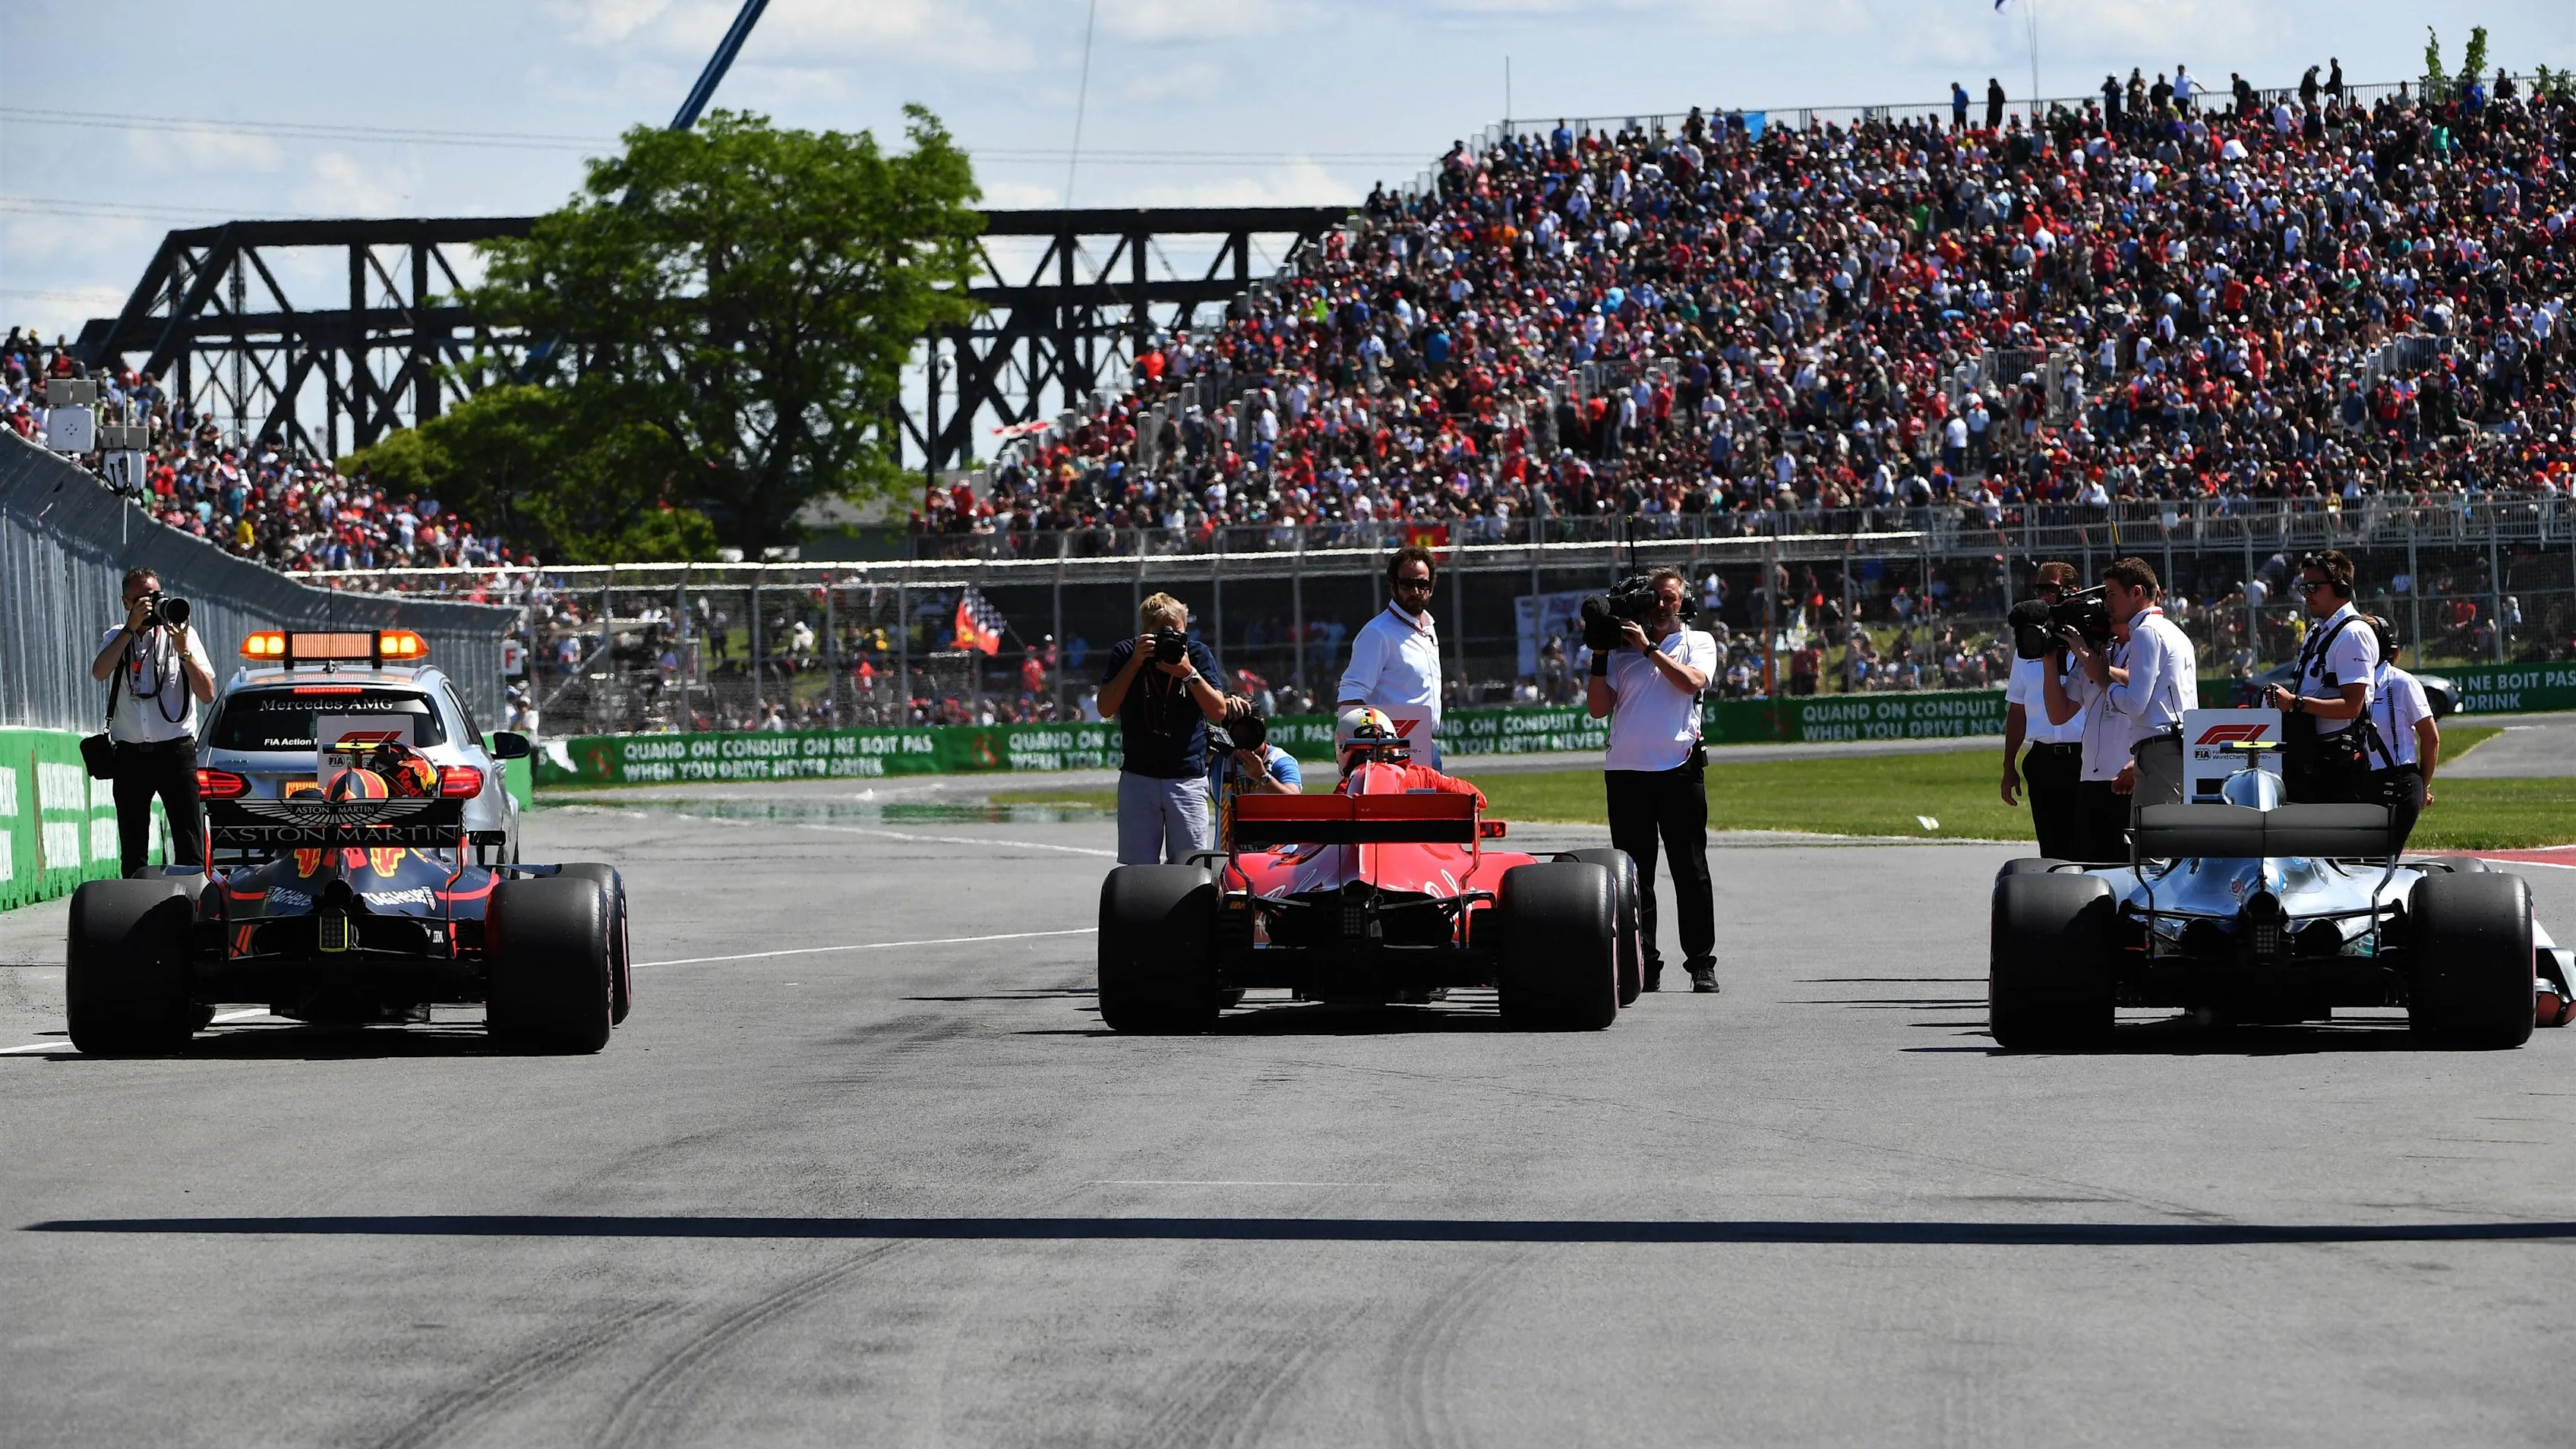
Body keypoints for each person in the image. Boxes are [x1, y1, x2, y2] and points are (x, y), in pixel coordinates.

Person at [1586, 567, 1719, 993]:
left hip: (1679, 769)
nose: (1662, 606)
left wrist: (1647, 650)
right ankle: (1645, 961)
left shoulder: (1697, 641)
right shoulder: (1623, 647)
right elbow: (1597, 709)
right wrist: (1602, 652)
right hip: (1626, 772)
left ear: (1684, 602)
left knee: (1690, 869)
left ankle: (1701, 961)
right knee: (1635, 876)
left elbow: (1691, 683)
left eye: (1670, 598)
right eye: (1655, 598)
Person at [2045, 558, 2197, 854]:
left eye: (2112, 594)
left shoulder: (2146, 631)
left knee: (2151, 855)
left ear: (2137, 593)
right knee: (2151, 853)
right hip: (2162, 750)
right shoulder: (2169, 630)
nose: (2106, 603)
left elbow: (2135, 704)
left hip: (2158, 751)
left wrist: (2102, 677)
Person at [89, 567, 216, 877]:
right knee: (133, 846)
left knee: (188, 841)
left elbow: (207, 693)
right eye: (142, 599)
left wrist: (184, 651)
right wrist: (130, 629)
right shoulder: (116, 635)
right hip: (130, 755)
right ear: (126, 603)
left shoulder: (183, 636)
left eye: (156, 596)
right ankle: (137, 909)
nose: (152, 605)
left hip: (176, 753)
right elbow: (99, 672)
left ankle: (193, 909)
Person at [1097, 591, 1226, 864]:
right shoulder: (1127, 653)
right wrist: (1134, 663)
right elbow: (1105, 708)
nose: (1171, 640)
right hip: (1139, 776)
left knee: (1189, 866)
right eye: (1162, 634)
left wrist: (1189, 674)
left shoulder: (1196, 654)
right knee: (1139, 868)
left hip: (1186, 777)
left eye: (1177, 632)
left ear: (1185, 628)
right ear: (1146, 633)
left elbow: (1218, 711)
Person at [2265, 550, 2378, 803]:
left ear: (2340, 588)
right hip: (2310, 754)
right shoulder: (2319, 631)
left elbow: (2352, 706)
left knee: (2332, 840)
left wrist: (2295, 703)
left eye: (2313, 587)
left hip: (2336, 763)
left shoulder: (2352, 634)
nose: (2306, 595)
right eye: (2303, 587)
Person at [2000, 562, 2086, 860]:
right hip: (2044, 761)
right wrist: (2009, 764)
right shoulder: (2028, 646)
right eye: (2040, 590)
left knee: (2088, 848)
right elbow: (2018, 707)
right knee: (2051, 851)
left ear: (2072, 591)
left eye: (2050, 589)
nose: (2043, 597)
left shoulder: (2090, 641)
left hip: (2086, 759)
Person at [1337, 545, 1444, 768]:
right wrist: (1372, 747)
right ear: (1392, 586)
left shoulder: (1427, 627)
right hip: (1389, 753)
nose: (1415, 591)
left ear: (1431, 587)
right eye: (1407, 584)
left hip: (1426, 745)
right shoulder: (1377, 633)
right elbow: (1349, 697)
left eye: (1422, 584)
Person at [2360, 617, 2441, 852]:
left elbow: (2431, 737)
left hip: (2398, 781)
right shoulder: (2347, 685)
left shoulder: (2402, 683)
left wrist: (2423, 786)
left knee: (2379, 860)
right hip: (2359, 781)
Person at [1208, 696, 1300, 851]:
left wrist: (1263, 777)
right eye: (1236, 731)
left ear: (1261, 724)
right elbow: (1187, 729)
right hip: (1227, 858)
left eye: (1248, 729)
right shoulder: (1219, 759)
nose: (1243, 737)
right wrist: (1217, 706)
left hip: (1276, 859)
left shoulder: (1279, 760)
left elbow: (1296, 804)